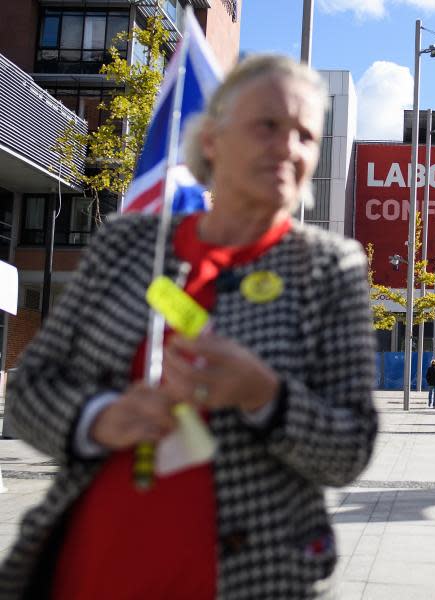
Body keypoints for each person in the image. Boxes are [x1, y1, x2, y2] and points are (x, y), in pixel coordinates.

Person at [0, 55, 378, 599]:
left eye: (305, 135)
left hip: (251, 578)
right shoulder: (127, 245)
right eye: (268, 125)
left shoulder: (328, 268)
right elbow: (28, 393)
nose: (289, 148)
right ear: (212, 141)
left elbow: (350, 448)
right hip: (91, 567)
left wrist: (263, 394)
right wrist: (102, 418)